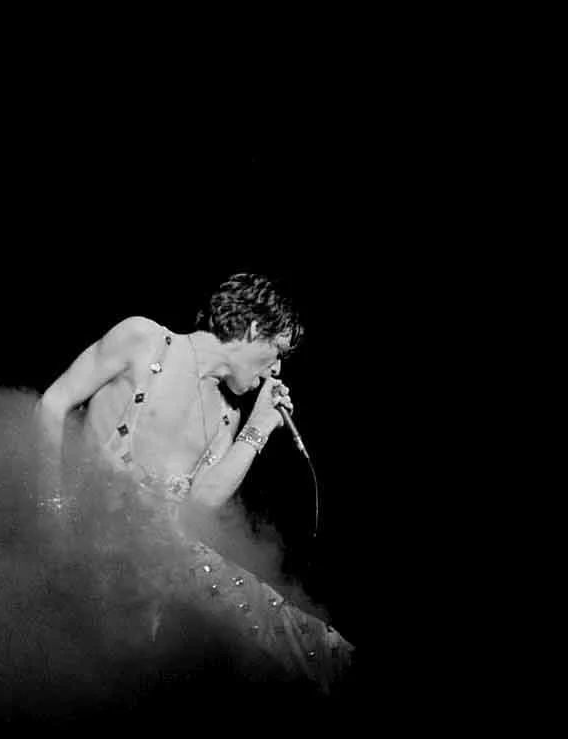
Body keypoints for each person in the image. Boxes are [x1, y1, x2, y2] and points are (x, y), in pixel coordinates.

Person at [34, 273, 353, 692]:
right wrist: (49, 514)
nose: (277, 369)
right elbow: (53, 404)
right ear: (255, 330)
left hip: (146, 590)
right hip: (87, 542)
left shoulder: (227, 417)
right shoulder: (144, 339)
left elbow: (202, 502)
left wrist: (257, 428)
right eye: (277, 352)